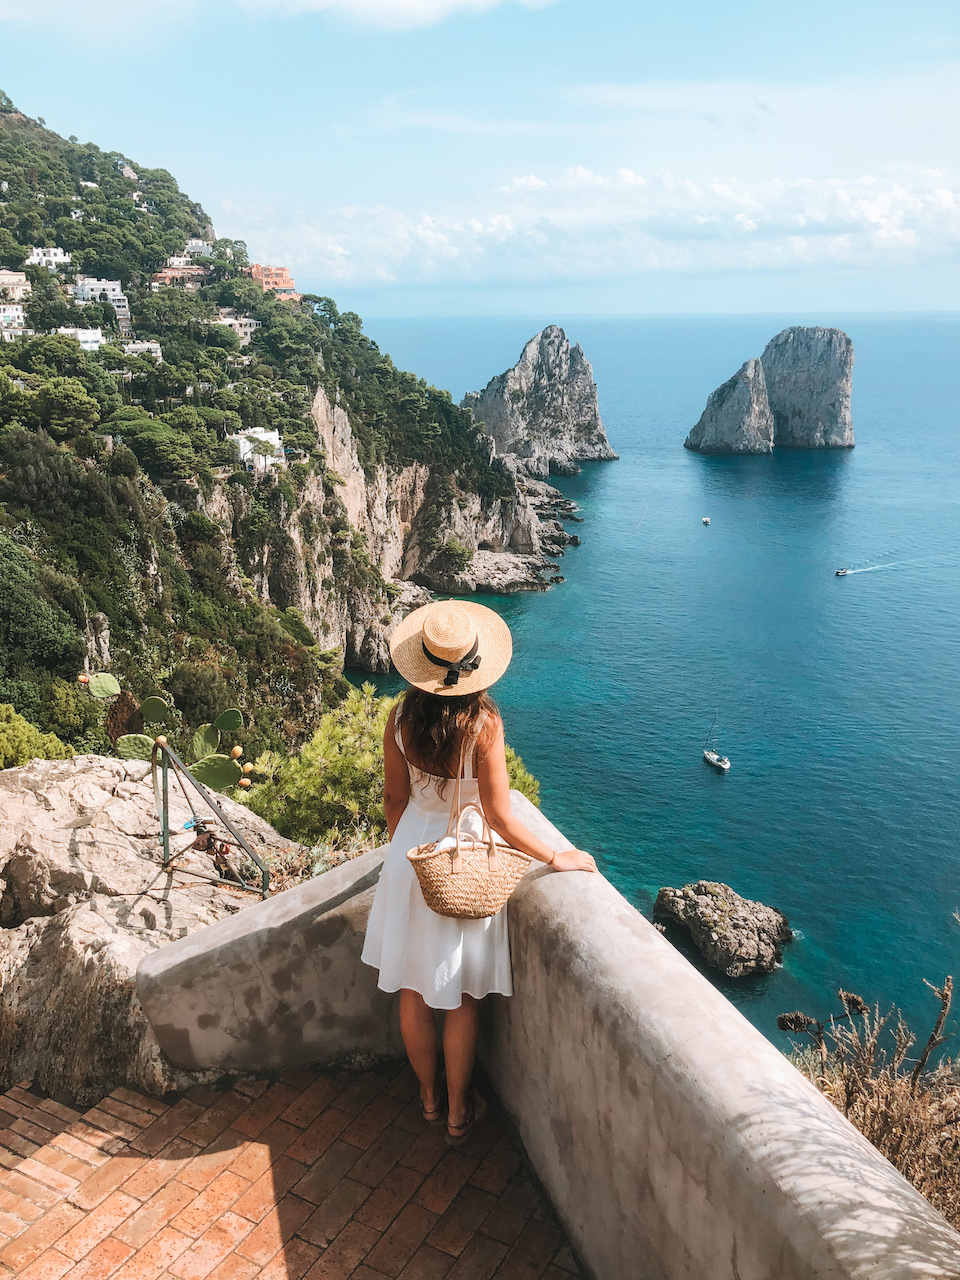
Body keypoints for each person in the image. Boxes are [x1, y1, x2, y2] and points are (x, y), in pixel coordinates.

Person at [361, 600, 597, 1146]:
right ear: (473, 666)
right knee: (462, 996)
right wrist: (555, 856)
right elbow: (500, 816)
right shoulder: (484, 725)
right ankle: (459, 1111)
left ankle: (426, 1099)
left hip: (411, 859)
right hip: (462, 861)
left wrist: (410, 850)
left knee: (413, 991)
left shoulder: (398, 718)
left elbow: (394, 801)